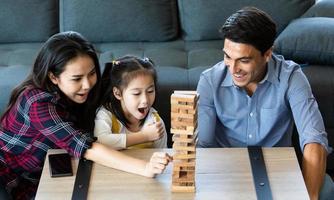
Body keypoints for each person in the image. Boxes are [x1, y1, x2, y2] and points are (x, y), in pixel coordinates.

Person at [0, 31, 171, 200]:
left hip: (54, 165)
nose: (87, 84)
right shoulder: (37, 103)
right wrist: (145, 168)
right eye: (76, 78)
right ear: (53, 76)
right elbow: (85, 147)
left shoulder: (79, 93)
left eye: (91, 73)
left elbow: (120, 77)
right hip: (16, 177)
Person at [196, 7, 333, 200]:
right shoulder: (209, 81)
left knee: (325, 190)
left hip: (278, 172)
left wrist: (309, 196)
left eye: (243, 60)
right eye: (228, 57)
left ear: (267, 54)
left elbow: (314, 139)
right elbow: (203, 146)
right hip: (226, 173)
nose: (233, 69)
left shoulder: (291, 78)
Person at [94, 56, 167, 150]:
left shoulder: (155, 122)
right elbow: (100, 141)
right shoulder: (106, 113)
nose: (145, 100)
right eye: (136, 93)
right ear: (118, 93)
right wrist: (145, 136)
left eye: (150, 91)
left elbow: (163, 152)